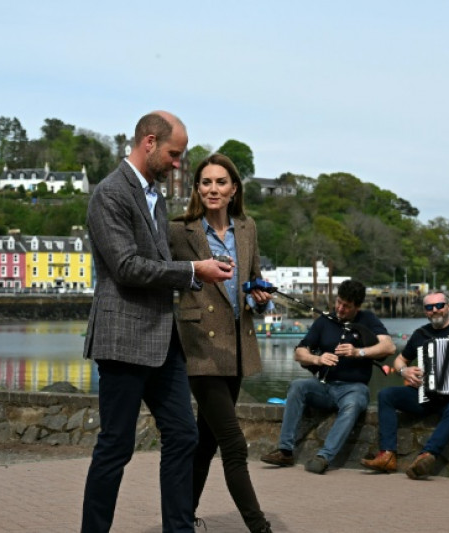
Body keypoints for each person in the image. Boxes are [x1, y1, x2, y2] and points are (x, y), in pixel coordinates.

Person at [80, 111, 234, 533]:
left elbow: (161, 260)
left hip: (163, 341)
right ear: (149, 142)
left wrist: (210, 269)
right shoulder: (110, 194)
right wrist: (192, 272)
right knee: (115, 447)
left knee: (184, 436)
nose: (178, 163)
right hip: (123, 339)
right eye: (174, 154)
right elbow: (127, 267)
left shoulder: (156, 197)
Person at [168, 153, 274, 533]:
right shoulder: (180, 231)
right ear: (197, 188)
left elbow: (254, 280)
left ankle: (181, 519)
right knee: (234, 444)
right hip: (201, 349)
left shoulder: (247, 228)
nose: (213, 189)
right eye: (206, 182)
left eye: (221, 182)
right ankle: (259, 527)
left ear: (233, 190)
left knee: (206, 444)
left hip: (239, 348)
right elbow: (164, 274)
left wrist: (261, 298)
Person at [361, 291, 449, 479]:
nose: (435, 310)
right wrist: (405, 371)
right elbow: (400, 360)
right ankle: (387, 454)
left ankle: (426, 456)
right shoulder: (421, 335)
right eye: (429, 307)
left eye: (439, 306)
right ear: (425, 311)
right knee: (386, 395)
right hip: (426, 396)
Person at [260, 279, 395, 474]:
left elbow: (388, 346)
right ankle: (285, 451)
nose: (340, 308)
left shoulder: (368, 319)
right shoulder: (325, 321)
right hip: (324, 386)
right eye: (338, 302)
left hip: (353, 387)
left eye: (346, 306)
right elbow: (299, 353)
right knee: (298, 386)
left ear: (357, 306)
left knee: (354, 403)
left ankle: (324, 456)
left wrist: (358, 352)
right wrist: (318, 359)